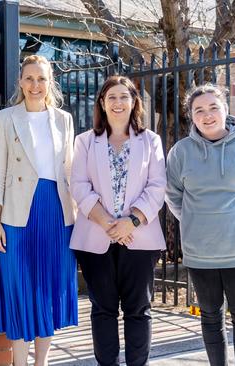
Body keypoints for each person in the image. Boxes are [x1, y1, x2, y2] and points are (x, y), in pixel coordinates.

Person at [165, 84, 235, 366]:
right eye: (199, 110)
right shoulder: (181, 152)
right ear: (191, 116)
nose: (207, 115)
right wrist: (194, 224)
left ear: (226, 110)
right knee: (210, 316)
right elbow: (174, 197)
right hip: (199, 252)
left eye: (214, 107)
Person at [69, 75, 166, 366]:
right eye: (111, 97)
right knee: (103, 309)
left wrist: (130, 223)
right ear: (102, 102)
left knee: (139, 309)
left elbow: (157, 186)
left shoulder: (151, 141)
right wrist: (108, 223)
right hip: (95, 238)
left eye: (124, 96)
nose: (118, 102)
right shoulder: (85, 141)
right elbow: (78, 185)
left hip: (140, 238)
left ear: (134, 101)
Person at [0, 55, 78, 366]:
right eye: (29, 78)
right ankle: (19, 362)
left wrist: (78, 215)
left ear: (49, 82)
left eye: (41, 79)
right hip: (15, 213)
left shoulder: (64, 119)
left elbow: (70, 169)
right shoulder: (5, 118)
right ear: (20, 82)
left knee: (48, 286)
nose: (35, 85)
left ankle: (42, 362)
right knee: (17, 285)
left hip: (56, 210)